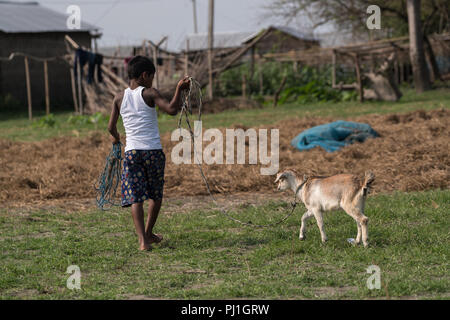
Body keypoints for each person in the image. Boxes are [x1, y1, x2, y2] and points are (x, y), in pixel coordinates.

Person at [108, 55, 190, 251]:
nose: (152, 81)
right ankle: (148, 232)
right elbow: (171, 109)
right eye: (152, 76)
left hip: (132, 153)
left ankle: (144, 240)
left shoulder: (119, 98)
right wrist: (179, 89)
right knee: (155, 195)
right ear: (145, 75)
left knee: (136, 198)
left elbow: (111, 127)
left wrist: (117, 139)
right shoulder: (150, 93)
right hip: (152, 152)